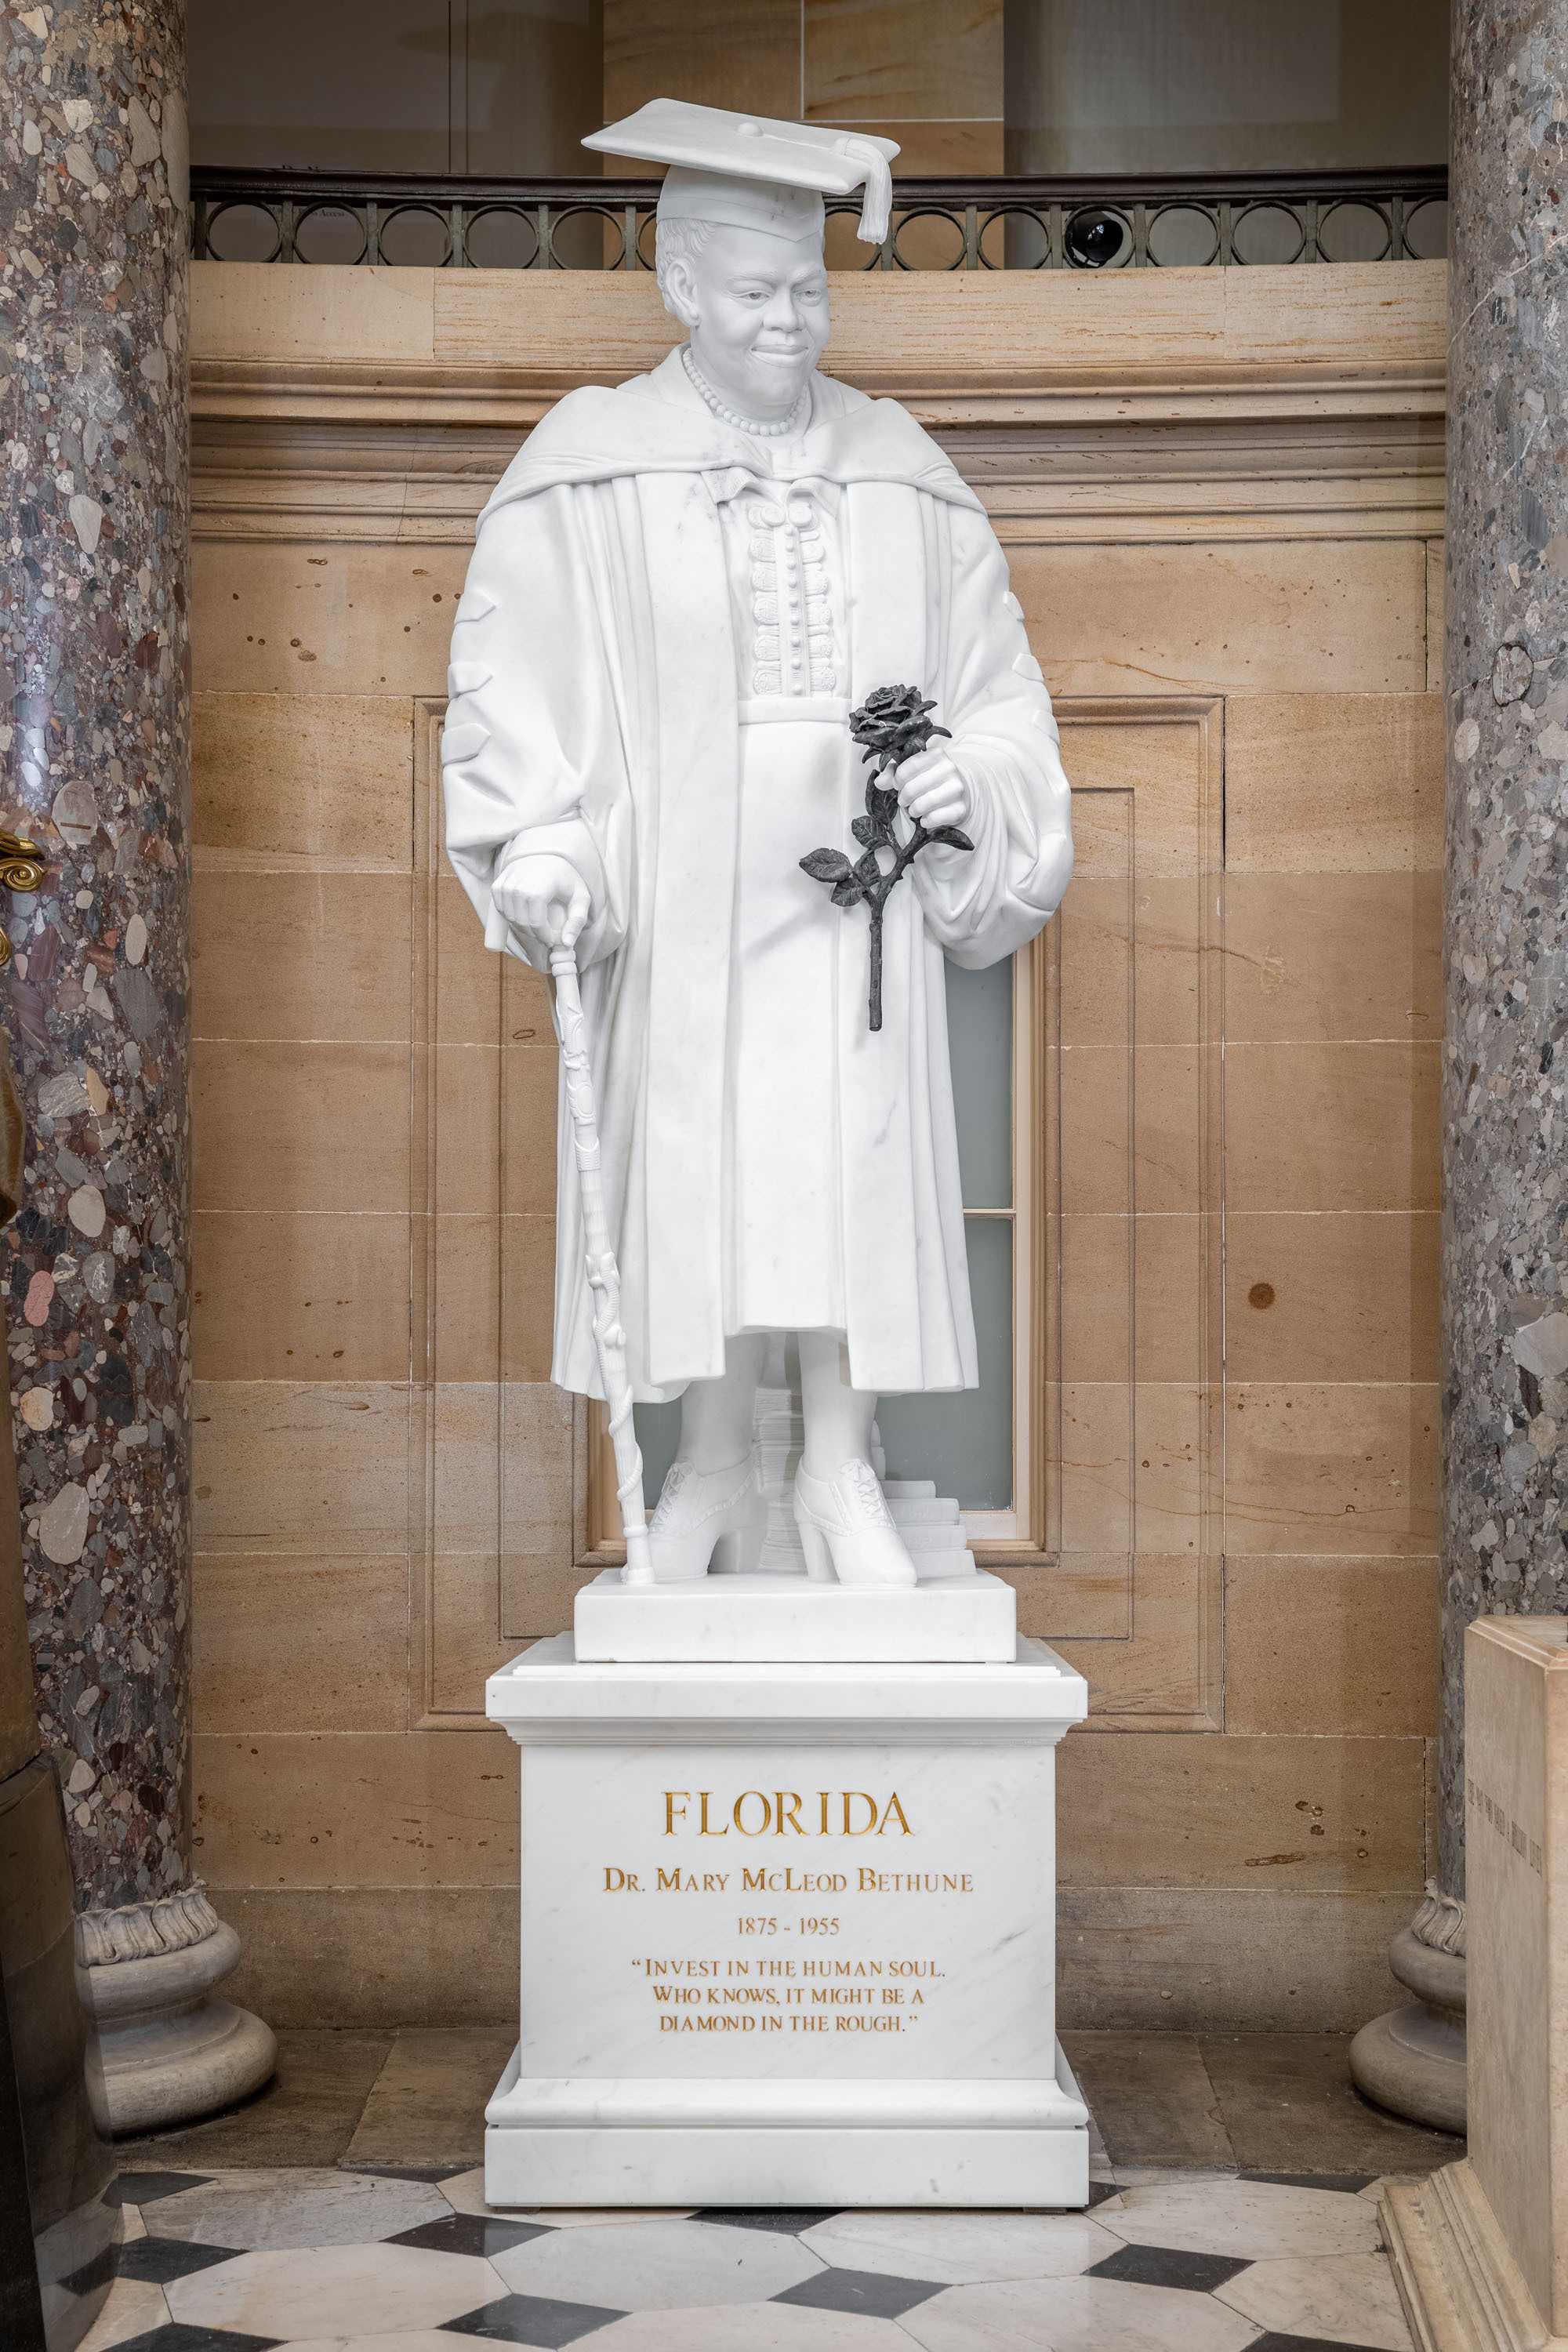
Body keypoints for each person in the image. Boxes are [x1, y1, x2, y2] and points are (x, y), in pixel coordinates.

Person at [443, 100, 1073, 1591]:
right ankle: (718, 1464)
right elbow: (509, 683)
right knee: (709, 1167)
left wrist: (968, 791)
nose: (788, 323)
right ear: (677, 286)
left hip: (856, 905)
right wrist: (539, 843)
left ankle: (842, 1459)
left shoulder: (902, 469)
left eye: (808, 292)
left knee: (847, 1158)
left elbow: (1003, 701)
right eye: (753, 294)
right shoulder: (588, 462)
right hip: (683, 895)